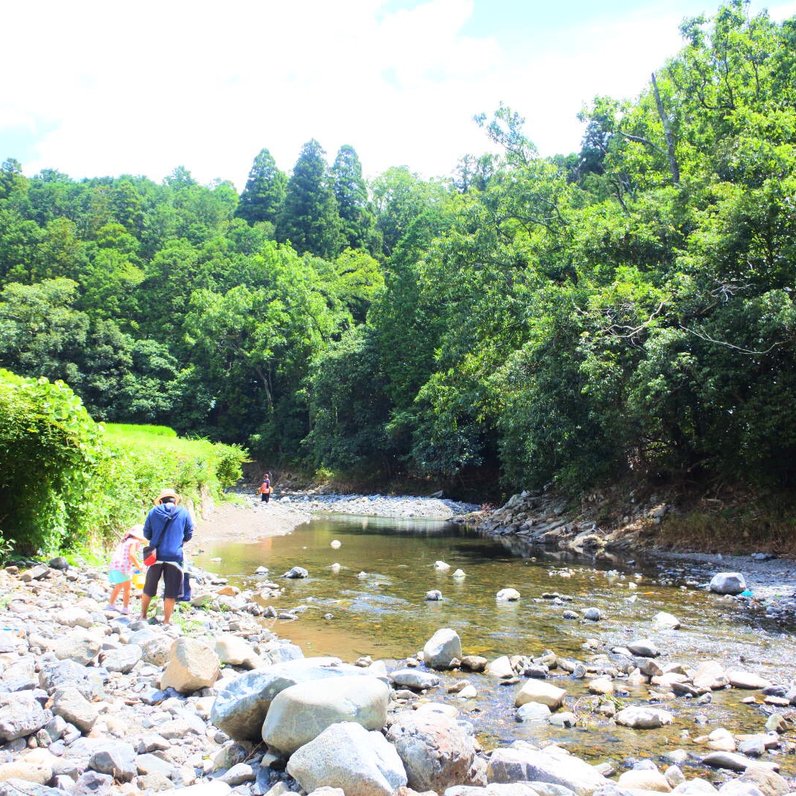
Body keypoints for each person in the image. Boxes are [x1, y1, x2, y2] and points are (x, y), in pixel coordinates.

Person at [140, 488, 194, 625]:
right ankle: (166, 621)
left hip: (155, 555)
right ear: (174, 501)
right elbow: (189, 534)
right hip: (175, 557)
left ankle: (143, 616)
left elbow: (147, 534)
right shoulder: (184, 512)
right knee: (171, 590)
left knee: (149, 586)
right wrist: (178, 542)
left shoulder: (153, 512)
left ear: (160, 501)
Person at [106, 526, 146, 614]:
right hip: (123, 567)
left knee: (118, 586)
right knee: (127, 588)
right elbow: (131, 555)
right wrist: (139, 566)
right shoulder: (134, 542)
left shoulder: (125, 541)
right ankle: (125, 608)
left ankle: (111, 604)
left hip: (115, 565)